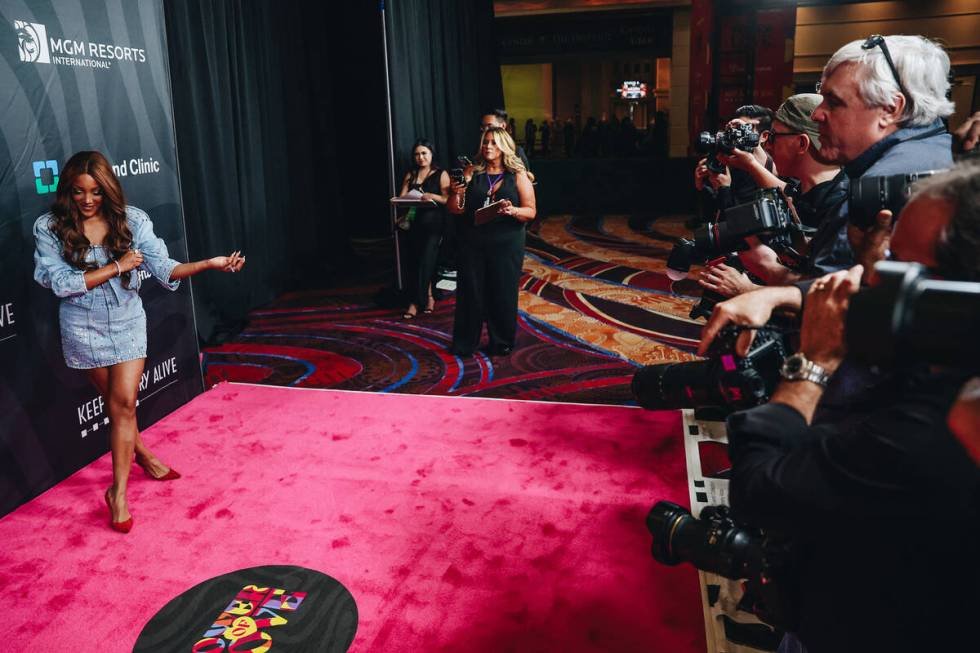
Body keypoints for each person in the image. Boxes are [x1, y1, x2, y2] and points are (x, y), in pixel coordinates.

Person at [706, 163, 980, 653]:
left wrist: (811, 364)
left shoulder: (937, 431)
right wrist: (786, 293)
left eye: (901, 266)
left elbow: (762, 490)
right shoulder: (953, 358)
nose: (876, 276)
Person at [33, 151, 245, 533]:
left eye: (96, 191)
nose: (87, 200)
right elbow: (61, 284)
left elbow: (165, 270)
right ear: (68, 190)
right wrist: (116, 267)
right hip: (82, 326)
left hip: (128, 323)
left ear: (108, 189)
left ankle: (118, 494)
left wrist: (209, 264)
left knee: (125, 403)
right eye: (79, 191)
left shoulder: (132, 221)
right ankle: (144, 455)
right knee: (119, 409)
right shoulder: (49, 228)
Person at [702, 94, 847, 297]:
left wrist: (753, 284)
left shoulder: (840, 206)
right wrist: (750, 161)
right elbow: (788, 194)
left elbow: (826, 293)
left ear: (802, 144)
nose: (768, 145)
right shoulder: (817, 188)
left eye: (774, 137)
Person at [447, 127, 536, 357]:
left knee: (502, 291)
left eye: (494, 143)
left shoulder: (518, 175)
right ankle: (465, 342)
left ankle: (502, 342)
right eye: (485, 142)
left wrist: (513, 210)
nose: (488, 146)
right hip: (473, 242)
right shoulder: (471, 172)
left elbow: (531, 211)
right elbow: (456, 210)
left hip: (506, 243)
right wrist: (456, 193)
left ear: (504, 146)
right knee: (471, 293)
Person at [398, 139, 450, 319]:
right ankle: (428, 296)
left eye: (424, 153)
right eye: (417, 154)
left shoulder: (441, 174)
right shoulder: (411, 174)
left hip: (434, 226)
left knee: (426, 262)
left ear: (431, 154)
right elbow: (402, 198)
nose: (420, 157)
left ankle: (414, 302)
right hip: (413, 225)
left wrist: (431, 196)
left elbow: (448, 200)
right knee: (416, 262)